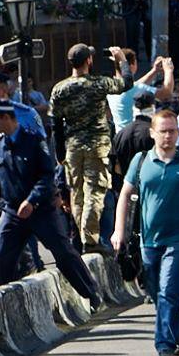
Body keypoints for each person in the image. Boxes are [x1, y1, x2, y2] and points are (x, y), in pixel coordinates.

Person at [112, 107, 179, 356]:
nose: (168, 136)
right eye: (163, 132)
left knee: (169, 290)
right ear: (153, 133)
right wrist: (118, 231)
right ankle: (178, 323)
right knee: (154, 290)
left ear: (178, 133)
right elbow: (124, 196)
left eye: (172, 131)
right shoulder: (140, 162)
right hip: (148, 239)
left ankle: (164, 345)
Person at [0, 99, 99, 304]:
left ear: (7, 118)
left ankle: (91, 294)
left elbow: (47, 176)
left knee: (63, 253)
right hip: (13, 212)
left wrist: (32, 200)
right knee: (2, 257)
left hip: (41, 210)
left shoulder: (34, 141)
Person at [48, 45, 129, 253]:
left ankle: (83, 236)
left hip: (73, 147)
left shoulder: (60, 88)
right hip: (97, 145)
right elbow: (126, 83)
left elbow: (55, 124)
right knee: (95, 191)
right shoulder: (99, 84)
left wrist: (59, 153)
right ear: (89, 61)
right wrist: (121, 60)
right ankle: (90, 240)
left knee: (77, 193)